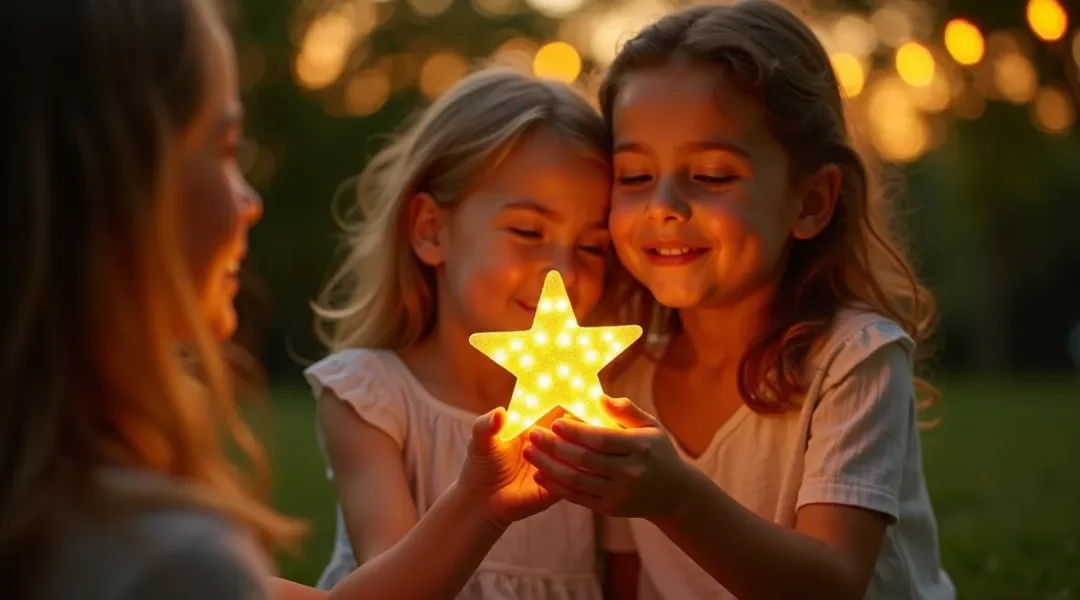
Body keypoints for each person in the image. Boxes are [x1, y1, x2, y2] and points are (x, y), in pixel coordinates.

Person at [0, 1, 567, 598]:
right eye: (225, 150)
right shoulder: (166, 561)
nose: (250, 201)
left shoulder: (59, 516)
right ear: (117, 187)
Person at [522, 2, 956, 599]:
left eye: (713, 175)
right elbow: (630, 581)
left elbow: (832, 583)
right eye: (635, 176)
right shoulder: (620, 378)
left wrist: (676, 498)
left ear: (811, 202)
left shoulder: (853, 360)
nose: (664, 206)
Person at [306, 66, 617, 598]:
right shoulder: (373, 398)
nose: (564, 270)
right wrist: (481, 505)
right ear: (431, 231)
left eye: (591, 246)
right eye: (527, 231)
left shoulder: (599, 411)